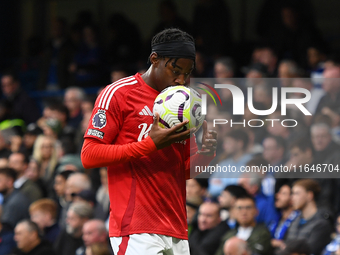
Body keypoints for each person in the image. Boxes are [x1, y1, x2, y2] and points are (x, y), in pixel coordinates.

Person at [81, 28, 217, 255]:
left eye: (187, 72)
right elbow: (89, 155)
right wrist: (149, 144)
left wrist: (206, 154)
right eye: (175, 69)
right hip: (135, 228)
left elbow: (180, 171)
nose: (181, 79)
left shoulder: (184, 103)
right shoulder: (118, 93)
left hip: (176, 228)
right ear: (155, 59)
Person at [285, 179, 332, 255]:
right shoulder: (294, 221)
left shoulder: (322, 224)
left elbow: (308, 251)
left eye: (296, 193)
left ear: (309, 195)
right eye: (292, 194)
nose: (292, 197)